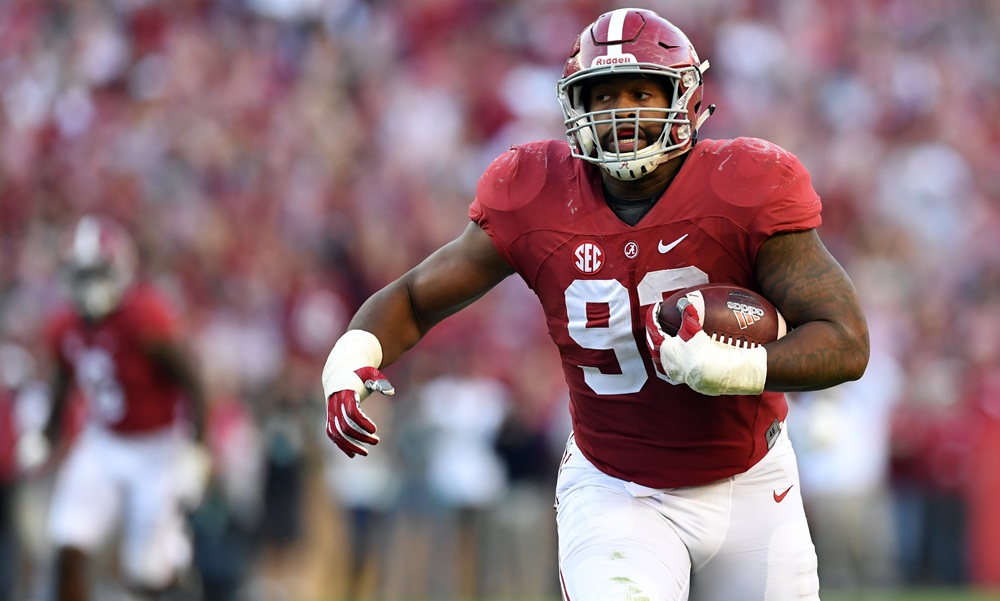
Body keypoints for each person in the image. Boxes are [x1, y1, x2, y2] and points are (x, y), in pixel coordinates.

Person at [321, 8, 869, 601]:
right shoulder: (534, 191)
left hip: (752, 485)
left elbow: (845, 340)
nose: (622, 112)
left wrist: (736, 369)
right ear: (575, 106)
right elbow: (414, 297)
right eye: (604, 95)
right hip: (617, 490)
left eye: (642, 93)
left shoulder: (746, 184)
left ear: (683, 99)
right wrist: (352, 357)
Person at [41, 214, 210, 601]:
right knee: (67, 544)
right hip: (102, 442)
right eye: (80, 275)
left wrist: (198, 450)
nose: (87, 285)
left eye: (95, 273)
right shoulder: (65, 325)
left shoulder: (143, 318)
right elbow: (63, 381)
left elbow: (193, 383)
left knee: (147, 572)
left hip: (156, 449)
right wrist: (47, 435)